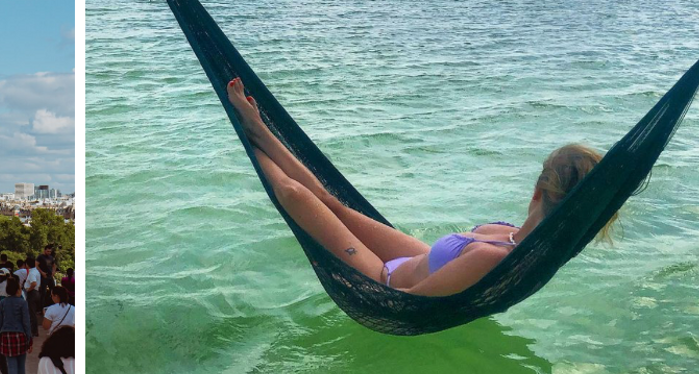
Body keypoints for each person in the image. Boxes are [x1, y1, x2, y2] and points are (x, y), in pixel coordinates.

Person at [226, 77, 620, 295]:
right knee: (331, 202)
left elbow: (406, 305)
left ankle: (252, 134)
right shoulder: (511, 236)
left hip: (382, 278)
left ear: (538, 190)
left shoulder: (494, 256)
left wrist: (345, 279)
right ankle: (259, 129)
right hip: (421, 260)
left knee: (294, 195)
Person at [0, 275, 30, 374]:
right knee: (21, 366)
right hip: (20, 336)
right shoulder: (23, 303)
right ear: (17, 290)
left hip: (6, 336)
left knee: (11, 365)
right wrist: (29, 339)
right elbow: (26, 322)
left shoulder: (3, 303)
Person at [21, 258, 41, 336]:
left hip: (32, 293)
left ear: (27, 264)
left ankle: (33, 331)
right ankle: (34, 330)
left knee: (31, 313)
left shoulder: (32, 273)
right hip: (36, 292)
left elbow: (34, 283)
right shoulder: (36, 271)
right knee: (33, 312)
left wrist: (28, 290)